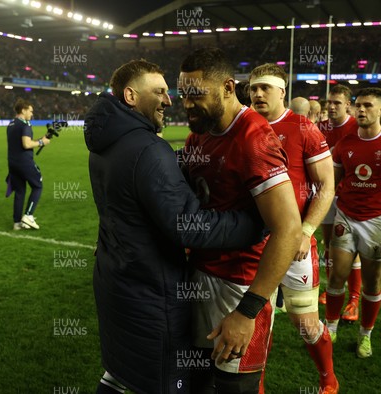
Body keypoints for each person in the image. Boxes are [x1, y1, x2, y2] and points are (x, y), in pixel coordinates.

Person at [84, 59, 265, 394]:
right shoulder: (149, 149)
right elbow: (190, 226)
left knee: (122, 371)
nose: (169, 101)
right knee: (168, 382)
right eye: (160, 92)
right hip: (152, 291)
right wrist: (253, 225)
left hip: (115, 278)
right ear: (131, 96)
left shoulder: (105, 144)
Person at [179, 48, 302, 394]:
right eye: (183, 94)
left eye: (196, 94)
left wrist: (248, 311)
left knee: (236, 388)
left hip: (239, 286)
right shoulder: (197, 135)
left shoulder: (254, 139)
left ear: (228, 88)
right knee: (196, 382)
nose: (187, 104)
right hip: (200, 275)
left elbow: (288, 229)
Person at [249, 63, 338, 394]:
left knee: (305, 323)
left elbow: (327, 184)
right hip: (252, 244)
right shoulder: (242, 125)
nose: (257, 93)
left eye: (265, 88)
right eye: (253, 88)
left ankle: (328, 378)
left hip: (295, 244)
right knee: (256, 323)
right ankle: (255, 386)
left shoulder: (302, 127)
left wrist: (307, 230)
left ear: (281, 91)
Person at [325, 87, 381, 358]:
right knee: (336, 276)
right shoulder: (345, 144)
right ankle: (330, 327)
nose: (361, 110)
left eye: (367, 105)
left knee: (373, 282)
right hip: (345, 216)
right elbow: (332, 184)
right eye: (358, 105)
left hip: (377, 222)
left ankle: (365, 335)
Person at [316, 85, 362, 322]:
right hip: (324, 194)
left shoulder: (356, 127)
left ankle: (354, 299)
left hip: (347, 196)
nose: (331, 107)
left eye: (337, 103)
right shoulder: (320, 127)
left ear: (348, 105)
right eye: (329, 103)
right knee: (328, 244)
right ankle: (331, 286)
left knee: (349, 250)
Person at [6, 99, 50, 230]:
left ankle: (17, 223)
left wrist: (39, 140)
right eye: (30, 111)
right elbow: (26, 144)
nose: (32, 114)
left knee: (20, 191)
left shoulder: (11, 124)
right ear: (23, 110)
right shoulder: (26, 125)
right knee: (38, 185)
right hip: (24, 163)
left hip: (12, 163)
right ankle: (28, 216)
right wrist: (42, 142)